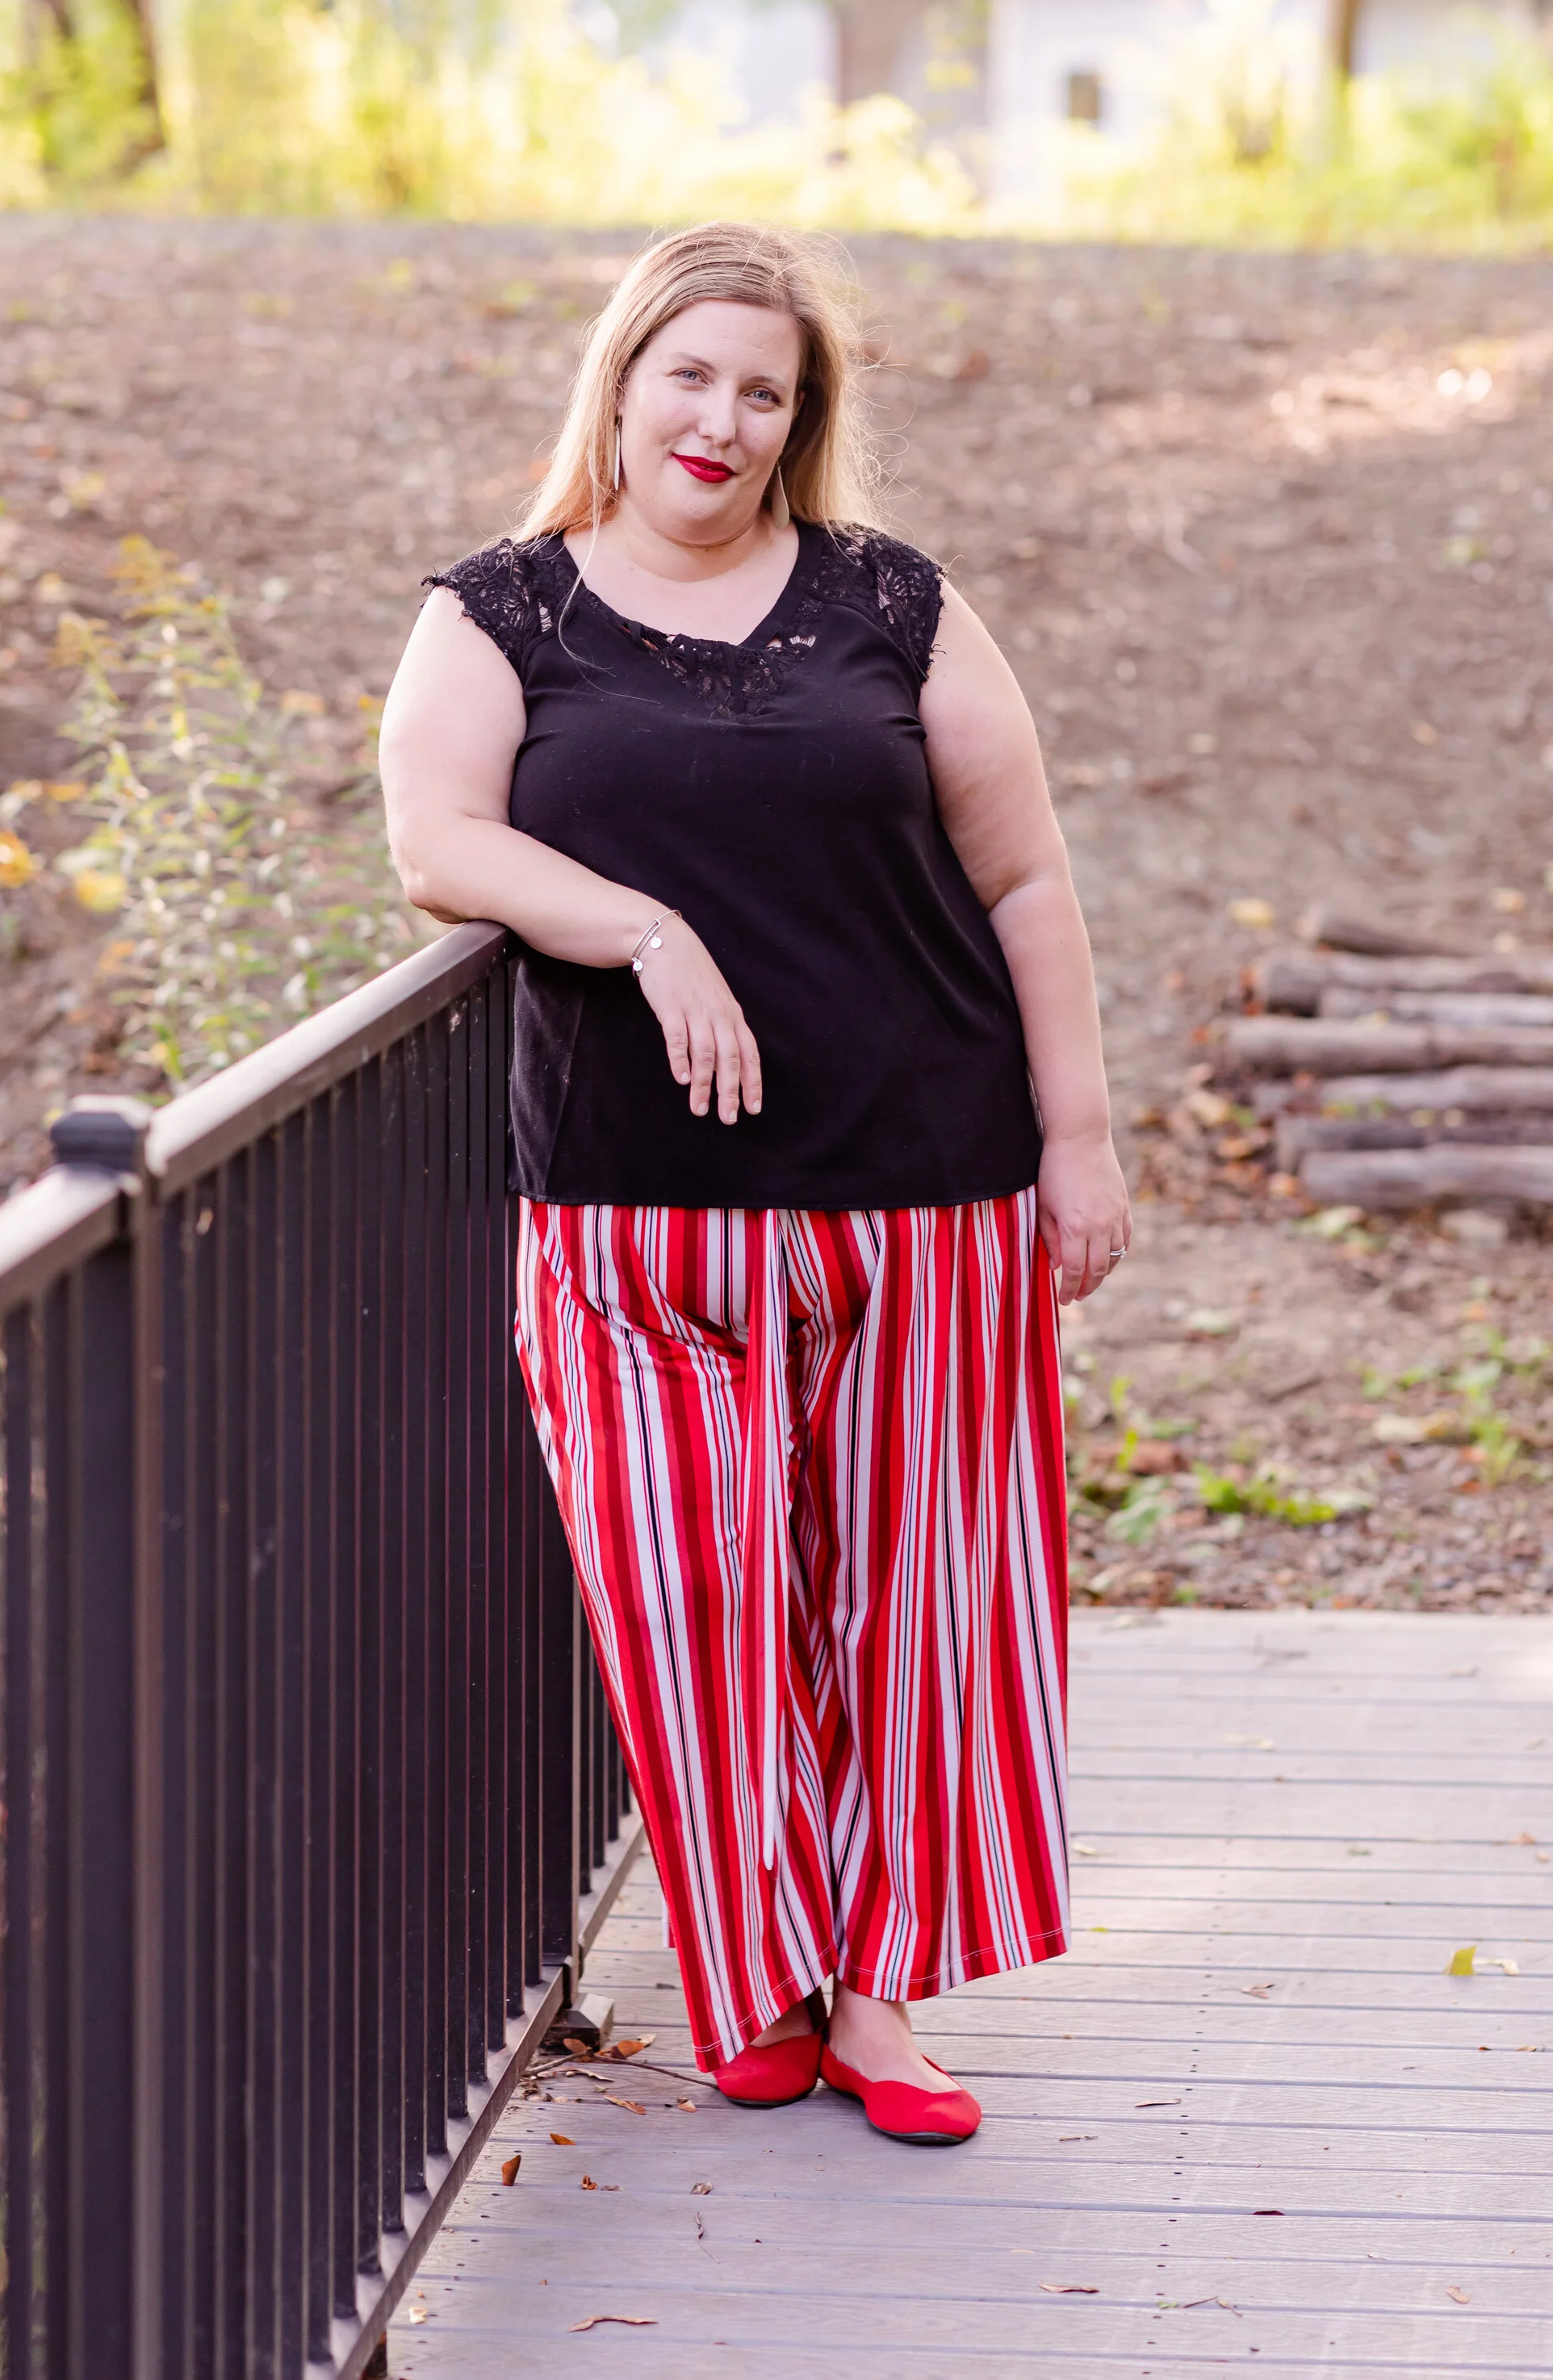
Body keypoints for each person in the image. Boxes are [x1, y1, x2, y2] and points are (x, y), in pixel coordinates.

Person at [380, 221, 1129, 2147]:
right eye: (688, 376)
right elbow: (437, 840)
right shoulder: (499, 613)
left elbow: (1025, 877)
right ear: (620, 385)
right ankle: (753, 1964)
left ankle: (871, 1998)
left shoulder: (893, 604)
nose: (720, 419)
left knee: (912, 1602)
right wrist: (636, 925)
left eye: (763, 391)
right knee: (688, 1583)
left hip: (925, 1185)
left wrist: (1077, 1134)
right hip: (628, 1214)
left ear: (800, 423)